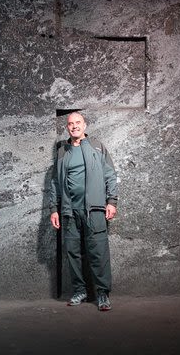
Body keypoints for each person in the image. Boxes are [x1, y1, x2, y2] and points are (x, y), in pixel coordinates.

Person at [49, 112, 118, 311]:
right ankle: (79, 290)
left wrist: (111, 201)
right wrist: (55, 208)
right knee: (73, 253)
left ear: (85, 125)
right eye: (70, 124)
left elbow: (110, 175)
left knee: (98, 252)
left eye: (77, 122)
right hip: (70, 211)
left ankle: (103, 293)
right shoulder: (63, 150)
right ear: (67, 127)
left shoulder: (97, 146)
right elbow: (55, 181)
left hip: (94, 209)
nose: (74, 126)